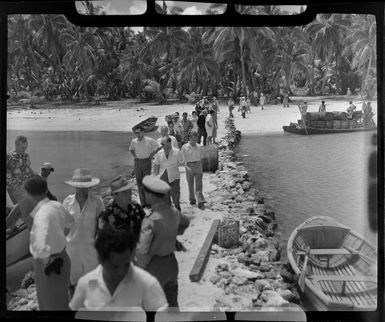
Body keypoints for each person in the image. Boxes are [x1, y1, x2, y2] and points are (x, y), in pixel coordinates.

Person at [69, 226, 168, 311]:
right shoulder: (85, 283)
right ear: (101, 260)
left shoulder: (147, 284)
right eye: (115, 267)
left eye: (126, 264)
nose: (122, 271)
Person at [136, 175, 190, 308]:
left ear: (151, 196)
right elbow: (185, 222)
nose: (145, 196)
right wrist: (172, 235)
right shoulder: (174, 212)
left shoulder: (150, 220)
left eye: (146, 193)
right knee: (172, 303)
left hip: (155, 266)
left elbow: (142, 251)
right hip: (171, 264)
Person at [25, 175, 74, 310]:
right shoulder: (56, 205)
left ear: (29, 194)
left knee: (49, 304)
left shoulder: (41, 215)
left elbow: (40, 248)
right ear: (46, 190)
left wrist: (47, 264)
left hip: (49, 265)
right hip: (63, 257)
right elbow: (71, 222)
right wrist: (60, 237)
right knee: (62, 299)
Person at [63, 168, 104, 289]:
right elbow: (64, 227)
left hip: (91, 247)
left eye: (85, 187)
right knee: (71, 281)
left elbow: (101, 226)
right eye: (79, 187)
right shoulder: (67, 201)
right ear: (74, 187)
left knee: (92, 281)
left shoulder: (97, 202)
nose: (82, 190)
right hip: (71, 248)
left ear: (89, 187)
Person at [129, 126, 160, 207]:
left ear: (143, 132)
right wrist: (134, 156)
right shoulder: (133, 141)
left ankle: (149, 202)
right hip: (137, 162)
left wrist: (153, 154)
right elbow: (131, 149)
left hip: (147, 161)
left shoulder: (149, 140)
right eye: (136, 133)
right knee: (139, 183)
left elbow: (159, 146)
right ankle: (143, 203)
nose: (137, 134)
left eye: (139, 132)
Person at [153, 136, 184, 211]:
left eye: (163, 144)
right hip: (163, 177)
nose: (161, 146)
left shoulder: (177, 151)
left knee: (175, 195)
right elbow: (156, 165)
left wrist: (179, 164)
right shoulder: (159, 153)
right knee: (166, 197)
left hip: (174, 176)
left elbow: (182, 161)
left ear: (169, 143)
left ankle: (177, 208)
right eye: (161, 144)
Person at [6, 135, 35, 203]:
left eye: (25, 147)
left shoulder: (25, 156)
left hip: (27, 188)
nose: (24, 149)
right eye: (22, 147)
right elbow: (8, 180)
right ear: (16, 145)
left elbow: (28, 170)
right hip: (16, 190)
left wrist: (36, 178)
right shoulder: (9, 158)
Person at [181, 131, 205, 209]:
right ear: (190, 138)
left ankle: (200, 200)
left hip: (198, 164)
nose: (195, 141)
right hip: (189, 165)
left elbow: (202, 156)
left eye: (196, 140)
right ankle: (192, 199)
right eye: (193, 140)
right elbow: (182, 159)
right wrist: (186, 166)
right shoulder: (184, 147)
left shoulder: (199, 146)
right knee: (190, 184)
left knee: (199, 184)